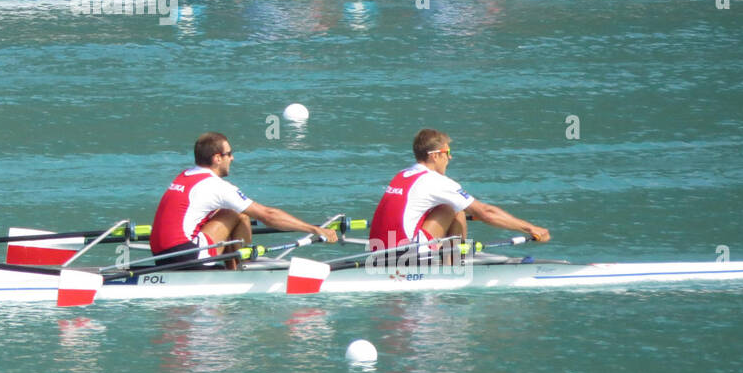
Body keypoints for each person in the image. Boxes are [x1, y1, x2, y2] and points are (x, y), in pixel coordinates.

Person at [151, 132, 339, 267]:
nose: (232, 158)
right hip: (185, 256)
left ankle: (232, 265)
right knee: (240, 214)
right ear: (217, 158)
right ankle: (244, 266)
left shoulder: (184, 175)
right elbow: (268, 215)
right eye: (229, 154)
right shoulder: (217, 186)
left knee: (224, 213)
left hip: (160, 255)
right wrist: (314, 229)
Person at [370, 128, 550, 253]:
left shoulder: (402, 174)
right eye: (447, 152)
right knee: (456, 210)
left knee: (448, 207)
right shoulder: (437, 181)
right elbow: (486, 213)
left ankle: (444, 256)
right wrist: (531, 228)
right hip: (404, 254)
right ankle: (454, 263)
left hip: (378, 248)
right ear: (435, 155)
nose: (450, 157)